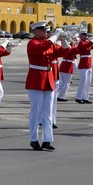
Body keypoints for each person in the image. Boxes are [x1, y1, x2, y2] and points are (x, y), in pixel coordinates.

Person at [24, 22, 68, 150]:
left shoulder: (48, 44)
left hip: (48, 79)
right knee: (36, 112)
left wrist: (64, 40)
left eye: (46, 30)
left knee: (48, 112)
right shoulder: (33, 43)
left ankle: (47, 140)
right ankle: (34, 139)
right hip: (36, 78)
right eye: (42, 30)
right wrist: (54, 37)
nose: (45, 32)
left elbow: (65, 52)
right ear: (35, 31)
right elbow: (40, 49)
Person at [74, 32, 93, 104]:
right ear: (81, 36)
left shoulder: (87, 42)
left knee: (88, 82)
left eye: (86, 35)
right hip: (83, 65)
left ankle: (86, 97)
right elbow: (88, 45)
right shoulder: (81, 43)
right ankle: (78, 97)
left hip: (89, 65)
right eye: (84, 35)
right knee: (83, 82)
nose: (86, 36)